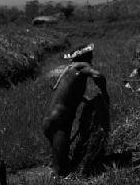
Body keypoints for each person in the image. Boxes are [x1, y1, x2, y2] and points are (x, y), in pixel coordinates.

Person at [42, 43, 109, 177]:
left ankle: (55, 180)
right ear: (86, 57)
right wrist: (104, 92)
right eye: (90, 56)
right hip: (60, 122)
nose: (92, 58)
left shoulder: (69, 70)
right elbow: (98, 76)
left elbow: (72, 95)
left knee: (60, 164)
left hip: (50, 121)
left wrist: (88, 101)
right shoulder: (82, 65)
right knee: (62, 172)